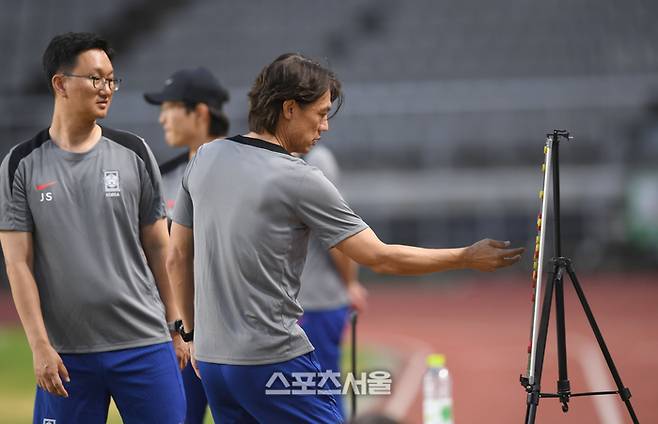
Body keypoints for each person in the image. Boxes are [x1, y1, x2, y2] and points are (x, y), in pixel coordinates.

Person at [166, 53, 524, 423]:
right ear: (289, 108)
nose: (325, 127)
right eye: (320, 113)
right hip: (272, 360)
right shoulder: (299, 177)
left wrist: (190, 335)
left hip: (212, 364)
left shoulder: (205, 158)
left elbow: (177, 257)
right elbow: (380, 257)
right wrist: (464, 256)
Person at [0, 32, 187, 424]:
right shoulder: (20, 164)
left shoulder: (135, 152)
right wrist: (39, 345)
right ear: (60, 83)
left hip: (145, 345)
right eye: (96, 78)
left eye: (112, 80)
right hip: (66, 355)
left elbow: (159, 246)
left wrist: (177, 326)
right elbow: (18, 265)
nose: (107, 89)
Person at [144, 66, 230, 424]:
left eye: (171, 107)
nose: (162, 117)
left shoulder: (242, 169)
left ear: (200, 112)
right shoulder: (164, 176)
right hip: (182, 334)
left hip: (234, 333)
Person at [297, 144, 367, 420]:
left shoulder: (317, 160)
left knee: (320, 390)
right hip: (307, 302)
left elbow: (338, 235)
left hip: (318, 301)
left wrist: (350, 284)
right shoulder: (291, 162)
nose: (322, 124)